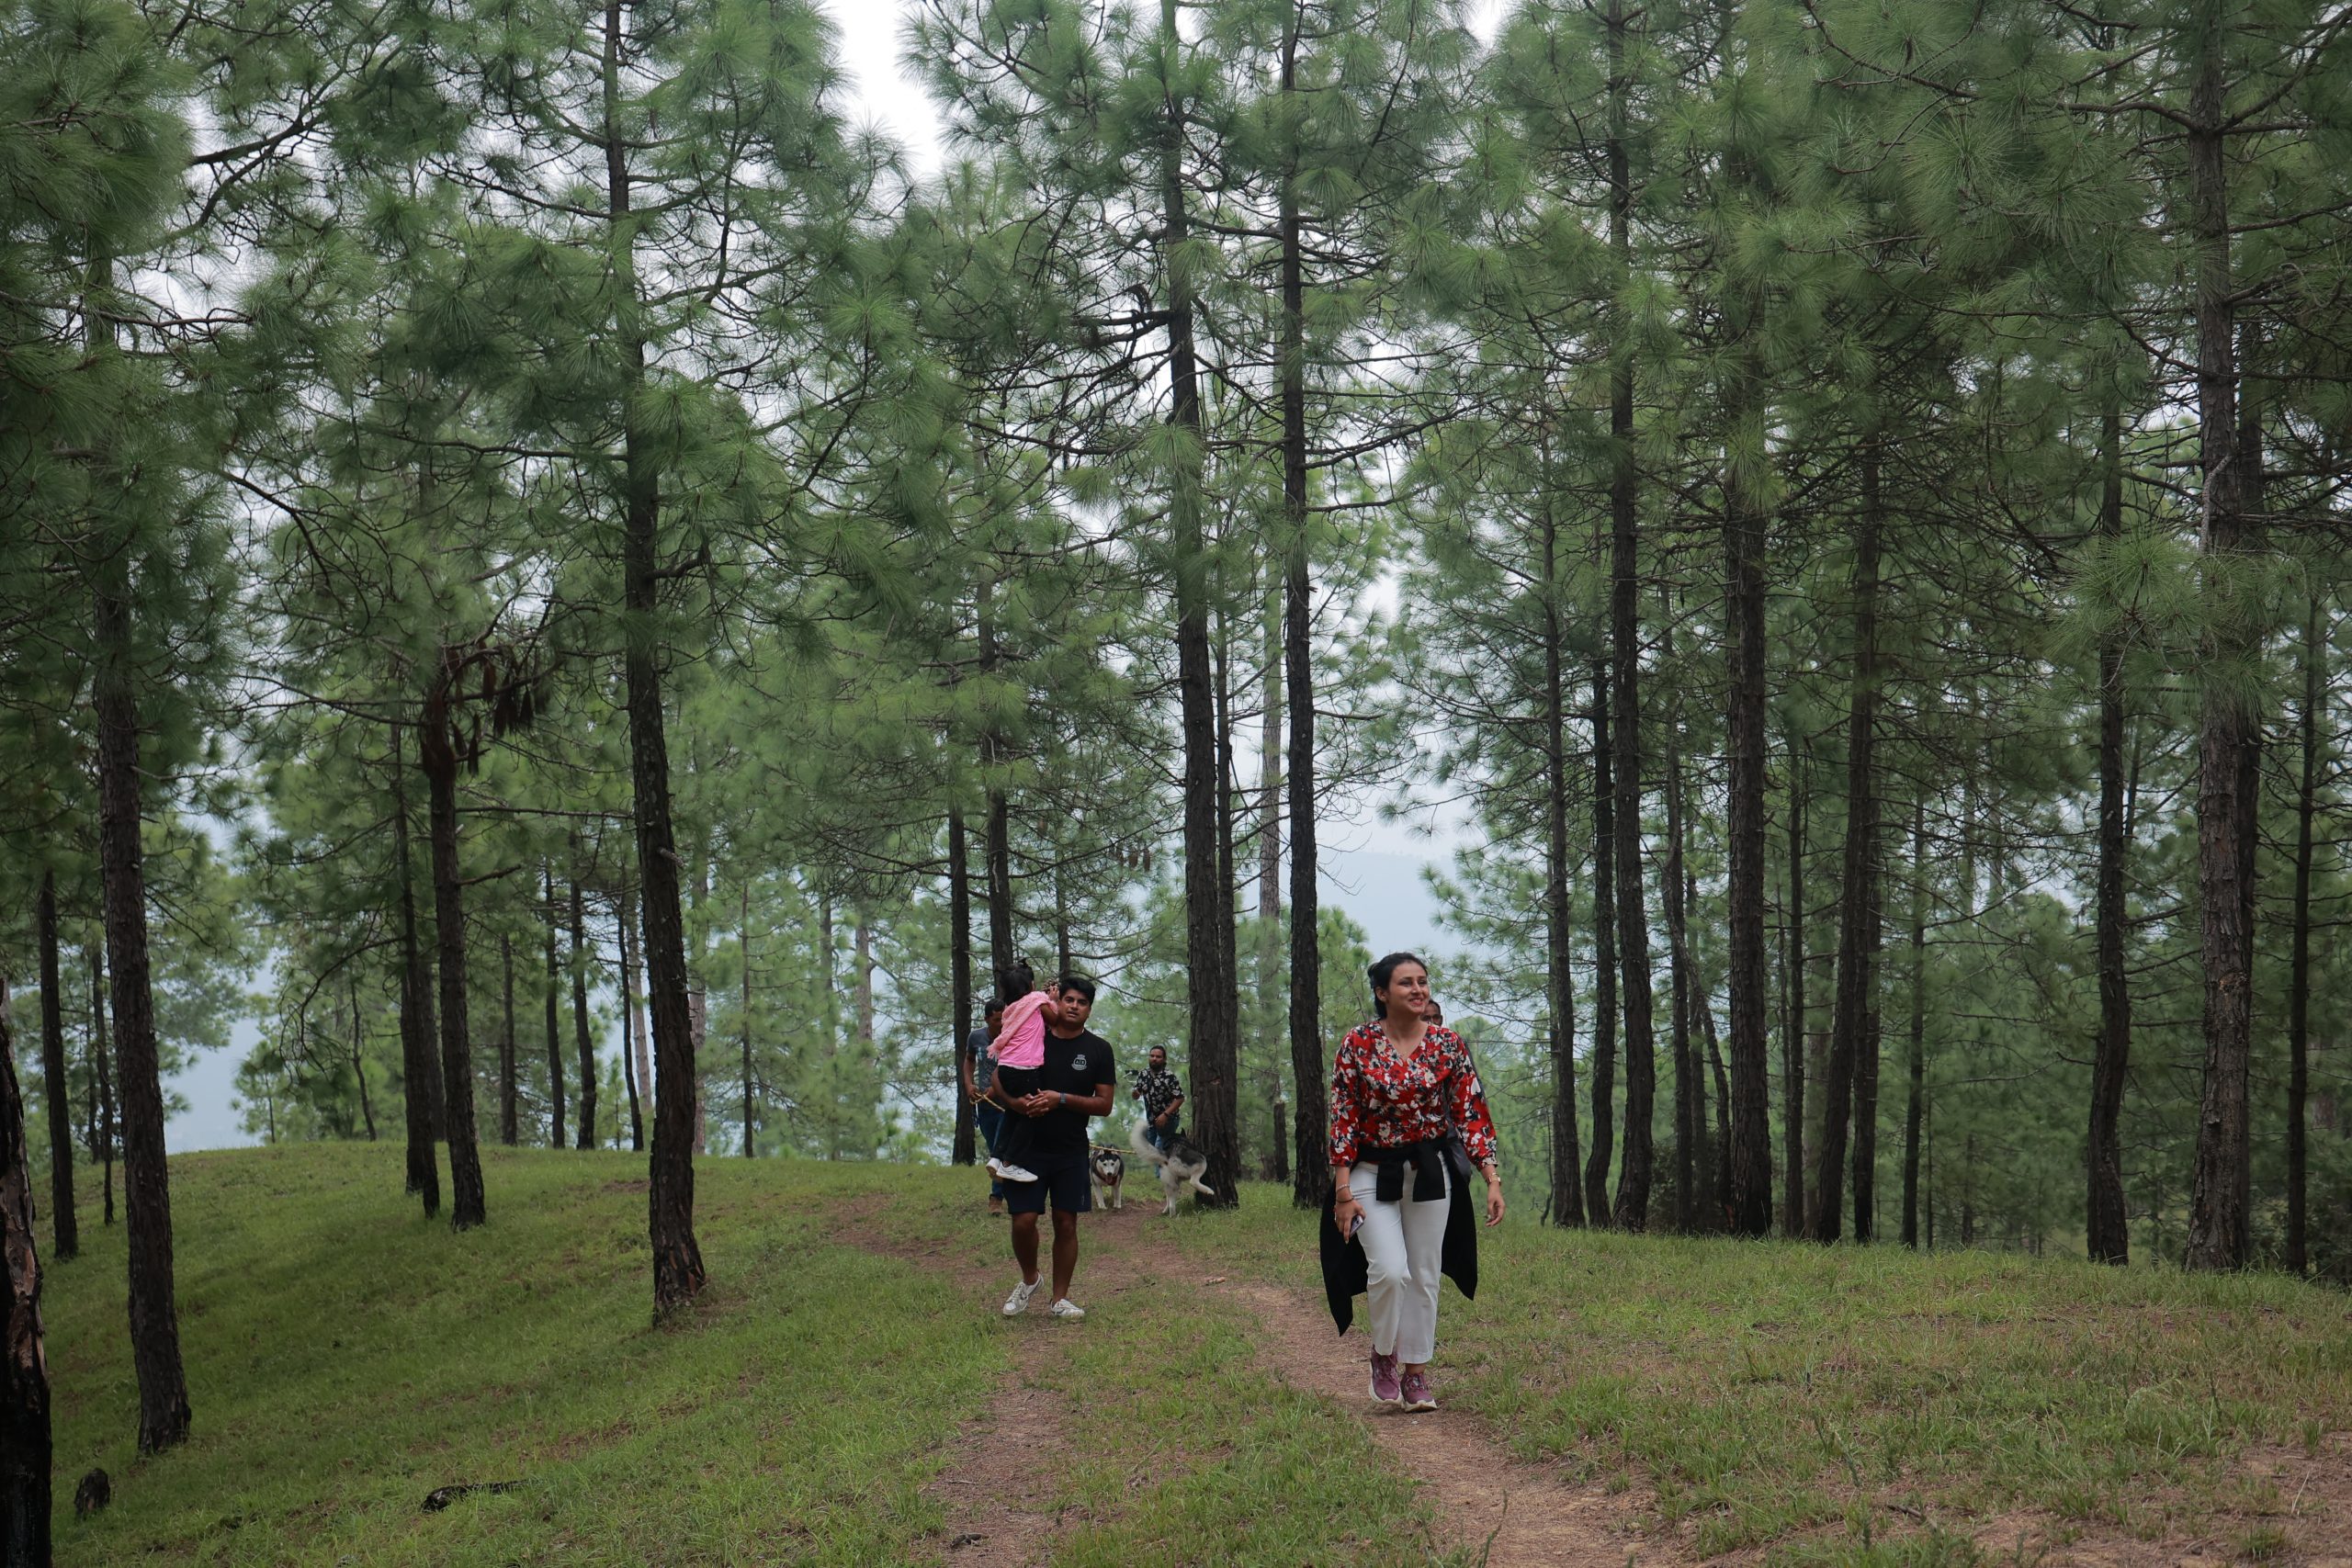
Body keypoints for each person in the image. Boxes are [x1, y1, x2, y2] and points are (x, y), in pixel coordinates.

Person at [1326, 952, 1502, 1414]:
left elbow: (1470, 1111)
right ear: (1383, 993)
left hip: (1429, 1171)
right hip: (1370, 1170)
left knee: (1424, 1275)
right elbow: (1343, 1118)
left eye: (1423, 981)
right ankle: (1383, 1355)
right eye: (1406, 983)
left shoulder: (1447, 1044)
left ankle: (1417, 1374)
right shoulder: (1358, 1044)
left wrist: (1490, 1175)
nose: (1418, 990)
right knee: (1390, 1270)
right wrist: (1342, 1191)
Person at [999, 974, 1116, 1320]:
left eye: (1082, 1003)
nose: (1074, 1007)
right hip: (1027, 1149)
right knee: (1023, 1221)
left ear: (1089, 1010)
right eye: (1069, 1000)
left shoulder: (1098, 1049)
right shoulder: (1034, 1032)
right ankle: (1029, 1279)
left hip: (1070, 1150)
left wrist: (1060, 1099)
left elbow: (1104, 1103)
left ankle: (1059, 1299)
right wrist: (1018, 1105)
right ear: (1057, 1002)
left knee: (1067, 1223)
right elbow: (998, 1075)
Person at [985, 960, 1059, 1186]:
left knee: (1013, 1113)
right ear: (1031, 984)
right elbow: (1054, 1020)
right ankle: (1012, 1163)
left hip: (1007, 1068)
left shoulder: (1011, 1008)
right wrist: (1053, 999)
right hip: (1025, 1068)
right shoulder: (1037, 1001)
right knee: (1033, 1111)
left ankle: (997, 1157)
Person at [963, 998, 1008, 1213]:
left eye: (1005, 1018)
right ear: (987, 1019)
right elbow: (969, 1060)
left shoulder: (1013, 1037)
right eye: (998, 1019)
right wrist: (969, 1084)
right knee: (995, 1149)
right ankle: (1008, 1188)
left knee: (1000, 1149)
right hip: (985, 1104)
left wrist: (995, 1089)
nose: (1002, 1023)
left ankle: (996, 1198)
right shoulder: (976, 1037)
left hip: (1008, 1103)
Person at [1130, 1044, 1184, 1153]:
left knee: (1158, 1152)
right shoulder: (1143, 1074)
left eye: (1158, 1057)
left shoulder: (1169, 1076)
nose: (1154, 1059)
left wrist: (1165, 1114)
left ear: (1164, 1059)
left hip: (1168, 1120)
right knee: (1154, 1153)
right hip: (1151, 1121)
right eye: (1152, 1056)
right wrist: (1135, 1094)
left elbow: (1180, 1098)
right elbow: (1137, 1093)